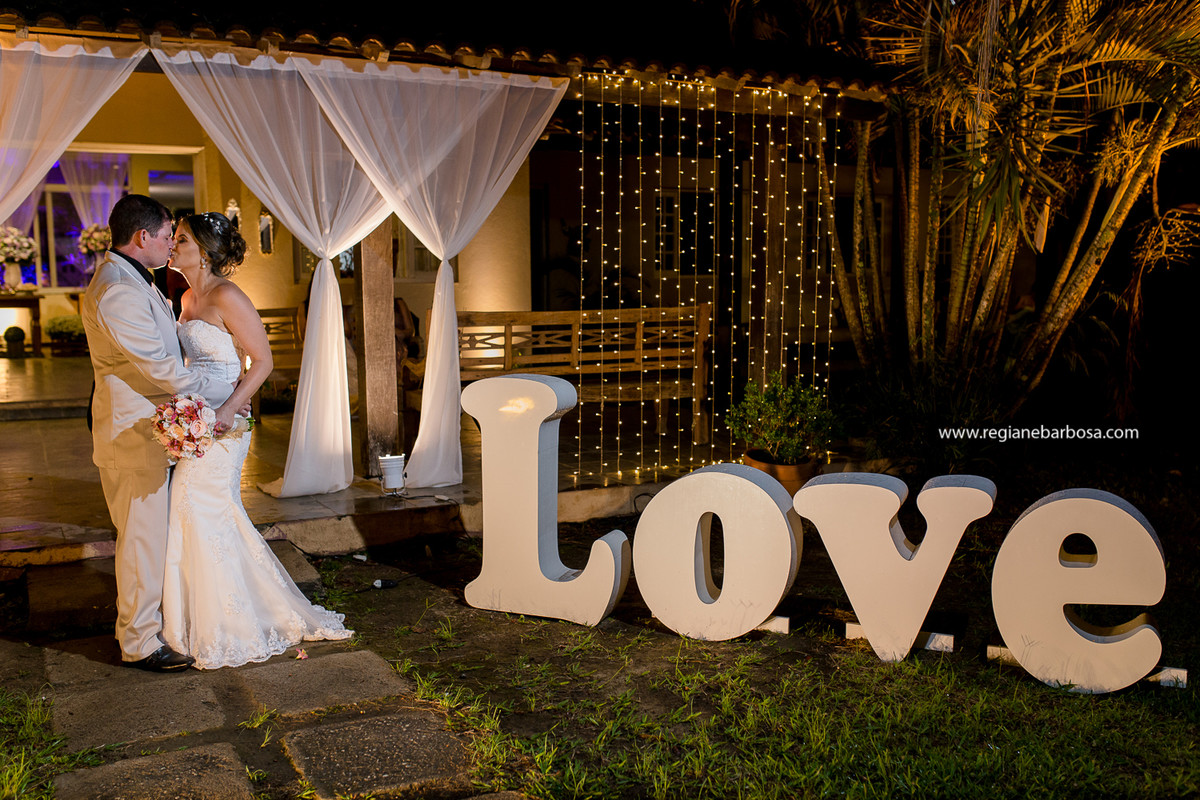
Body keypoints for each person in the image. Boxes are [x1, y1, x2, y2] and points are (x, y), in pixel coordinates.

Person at [160, 212, 351, 669]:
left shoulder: (227, 295)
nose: (172, 245)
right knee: (193, 511)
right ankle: (202, 617)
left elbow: (262, 360)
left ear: (205, 252)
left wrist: (230, 407)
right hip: (198, 417)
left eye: (181, 239)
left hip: (225, 424)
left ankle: (227, 624)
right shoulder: (185, 297)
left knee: (197, 506)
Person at [81, 195, 238, 672]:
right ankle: (140, 642)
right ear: (142, 236)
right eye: (168, 235)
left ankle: (149, 627)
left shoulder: (132, 279)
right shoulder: (118, 290)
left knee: (149, 536)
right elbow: (160, 368)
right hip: (131, 434)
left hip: (147, 428)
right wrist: (224, 391)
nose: (171, 244)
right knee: (141, 540)